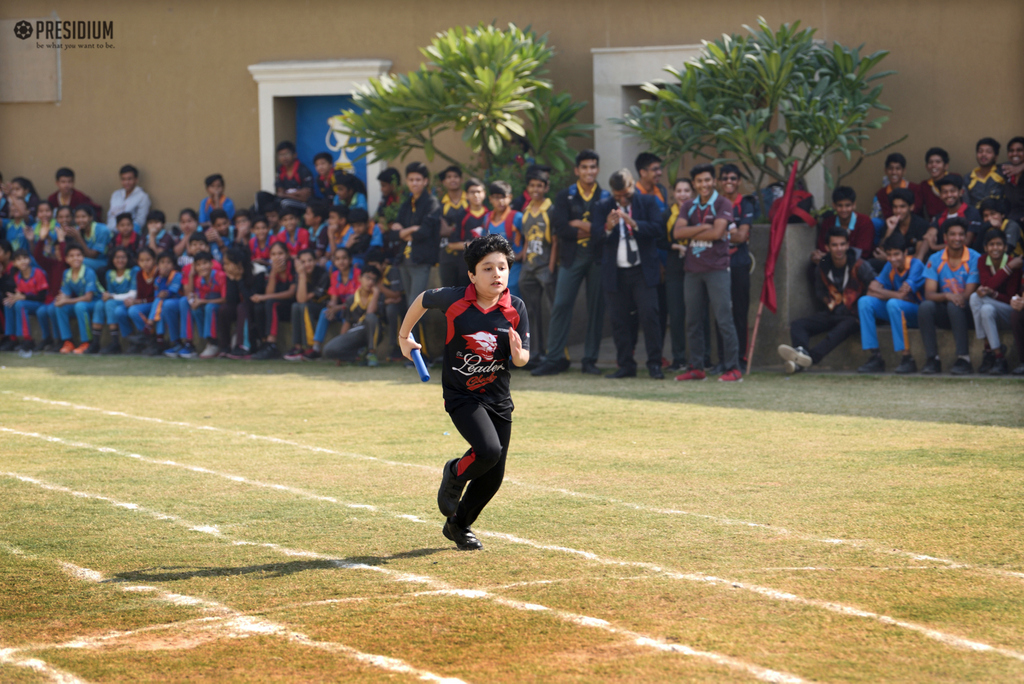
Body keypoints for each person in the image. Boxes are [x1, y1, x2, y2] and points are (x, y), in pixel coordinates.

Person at [398, 234, 529, 551]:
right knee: (487, 450)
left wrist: (517, 353)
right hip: (462, 396)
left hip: (498, 399)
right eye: (487, 268)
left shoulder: (516, 308)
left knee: (493, 477)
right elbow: (422, 299)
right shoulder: (454, 299)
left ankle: (458, 526)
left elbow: (524, 358)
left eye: (502, 267)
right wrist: (405, 336)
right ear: (472, 275)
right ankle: (454, 472)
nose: (496, 274)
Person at [531, 150, 609, 376]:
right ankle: (554, 358)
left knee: (596, 309)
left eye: (593, 167)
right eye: (584, 167)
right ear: (577, 170)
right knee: (561, 305)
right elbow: (562, 229)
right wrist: (592, 230)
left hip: (596, 258)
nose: (589, 171)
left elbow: (604, 232)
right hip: (571, 257)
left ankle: (590, 359)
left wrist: (583, 226)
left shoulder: (604, 197)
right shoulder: (564, 195)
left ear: (598, 169)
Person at [674, 163, 743, 382]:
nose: (704, 184)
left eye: (707, 180)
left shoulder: (723, 203)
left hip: (717, 269)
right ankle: (696, 367)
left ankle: (733, 368)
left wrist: (695, 231)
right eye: (699, 181)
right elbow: (677, 233)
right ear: (694, 184)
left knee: (724, 319)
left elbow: (717, 233)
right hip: (692, 270)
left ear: (714, 181)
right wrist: (703, 227)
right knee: (693, 320)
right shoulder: (688, 206)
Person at [594, 169, 663, 379]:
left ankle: (655, 364)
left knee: (649, 315)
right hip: (616, 273)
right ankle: (626, 365)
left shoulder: (648, 202)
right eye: (618, 196)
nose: (622, 199)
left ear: (633, 186)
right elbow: (595, 237)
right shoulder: (602, 206)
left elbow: (658, 229)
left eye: (626, 194)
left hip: (642, 271)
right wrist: (607, 227)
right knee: (619, 320)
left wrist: (635, 224)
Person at [779, 227, 874, 373]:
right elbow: (819, 290)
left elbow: (873, 286)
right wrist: (830, 303)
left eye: (842, 244)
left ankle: (808, 358)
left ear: (848, 245)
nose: (839, 248)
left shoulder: (860, 265)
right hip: (833, 311)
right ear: (827, 247)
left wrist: (858, 308)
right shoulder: (822, 265)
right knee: (798, 325)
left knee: (840, 329)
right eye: (834, 245)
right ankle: (801, 353)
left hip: (854, 316)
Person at [856, 232, 925, 374]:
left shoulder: (915, 264)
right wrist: (895, 295)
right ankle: (875, 356)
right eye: (889, 254)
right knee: (864, 302)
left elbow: (903, 296)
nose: (892, 259)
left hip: (918, 312)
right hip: (897, 307)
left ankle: (907, 358)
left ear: (905, 252)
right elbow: (870, 290)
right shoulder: (889, 266)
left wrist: (887, 294)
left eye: (896, 254)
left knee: (893, 304)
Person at [918, 218, 981, 374]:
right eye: (952, 234)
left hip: (969, 312)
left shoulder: (975, 258)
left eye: (961, 235)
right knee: (925, 307)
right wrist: (947, 295)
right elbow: (929, 293)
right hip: (948, 308)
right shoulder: (935, 259)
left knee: (955, 304)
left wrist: (953, 298)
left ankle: (964, 359)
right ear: (945, 237)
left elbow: (967, 294)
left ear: (966, 237)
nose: (957, 238)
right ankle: (933, 359)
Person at [718, 164, 757, 372]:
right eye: (724, 178)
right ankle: (723, 360)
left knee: (740, 313)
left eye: (733, 178)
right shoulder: (716, 204)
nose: (729, 182)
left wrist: (717, 234)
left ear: (739, 180)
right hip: (718, 265)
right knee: (721, 312)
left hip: (740, 264)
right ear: (719, 182)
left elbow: (741, 236)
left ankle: (740, 359)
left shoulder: (746, 204)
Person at [516, 167, 557, 369]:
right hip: (529, 267)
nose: (536, 189)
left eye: (540, 185)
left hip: (545, 266)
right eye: (532, 185)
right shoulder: (525, 212)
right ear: (528, 187)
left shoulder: (551, 210)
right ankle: (536, 353)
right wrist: (518, 259)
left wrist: (551, 266)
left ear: (546, 187)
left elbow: (556, 241)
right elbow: (526, 241)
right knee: (530, 312)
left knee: (552, 310)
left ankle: (555, 352)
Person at [969, 230, 1022, 375]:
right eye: (991, 244)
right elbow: (987, 284)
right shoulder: (982, 260)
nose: (995, 248)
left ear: (1005, 247)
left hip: (1009, 311)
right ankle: (998, 355)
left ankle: (987, 349)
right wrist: (1007, 269)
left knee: (976, 298)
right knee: (984, 308)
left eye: (999, 244)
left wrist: (1009, 268)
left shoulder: (1013, 263)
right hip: (992, 310)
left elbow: (1011, 297)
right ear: (986, 248)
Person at [663, 177, 696, 371]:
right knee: (676, 315)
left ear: (692, 192)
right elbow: (659, 240)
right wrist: (674, 246)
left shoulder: (699, 212)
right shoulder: (667, 213)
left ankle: (703, 358)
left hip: (697, 265)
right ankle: (679, 358)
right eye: (679, 191)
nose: (683, 194)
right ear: (674, 193)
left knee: (698, 314)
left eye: (686, 190)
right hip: (674, 266)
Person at [322, 266, 382, 365]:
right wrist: (340, 344)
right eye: (367, 278)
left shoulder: (378, 296)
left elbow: (371, 312)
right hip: (356, 333)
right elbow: (347, 322)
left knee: (370, 317)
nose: (370, 282)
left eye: (373, 280)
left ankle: (372, 353)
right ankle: (359, 357)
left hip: (374, 332)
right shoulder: (351, 299)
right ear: (359, 278)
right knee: (328, 349)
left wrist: (375, 294)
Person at [309, 246, 361, 358]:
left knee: (345, 316)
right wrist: (332, 307)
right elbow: (334, 300)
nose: (341, 261)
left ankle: (343, 348)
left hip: (354, 310)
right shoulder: (335, 275)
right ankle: (316, 348)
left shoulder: (358, 274)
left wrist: (337, 308)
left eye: (344, 258)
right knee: (325, 312)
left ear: (350, 260)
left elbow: (357, 301)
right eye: (337, 259)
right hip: (341, 309)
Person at [175, 250, 226, 359]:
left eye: (205, 263)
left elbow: (225, 298)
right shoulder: (199, 280)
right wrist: (195, 302)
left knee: (209, 307)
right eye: (198, 265)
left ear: (211, 264)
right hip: (209, 303)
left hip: (221, 306)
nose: (202, 267)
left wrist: (203, 302)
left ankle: (214, 342)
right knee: (195, 309)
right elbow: (195, 296)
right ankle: (203, 340)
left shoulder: (220, 276)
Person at [251, 241, 297, 360]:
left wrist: (263, 297)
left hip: (292, 306)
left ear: (287, 255)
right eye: (273, 254)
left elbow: (291, 293)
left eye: (280, 253)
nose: (277, 257)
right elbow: (270, 293)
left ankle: (272, 345)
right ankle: (265, 343)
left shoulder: (293, 267)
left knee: (271, 302)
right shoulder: (272, 270)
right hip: (277, 307)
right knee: (259, 307)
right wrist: (273, 272)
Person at [284, 248, 331, 361]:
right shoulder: (300, 274)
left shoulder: (322, 274)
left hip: (323, 307)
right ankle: (298, 347)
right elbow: (300, 300)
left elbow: (303, 299)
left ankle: (311, 347)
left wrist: (302, 275)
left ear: (315, 261)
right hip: (307, 307)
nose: (307, 264)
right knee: (295, 306)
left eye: (310, 261)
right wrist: (302, 275)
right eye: (303, 262)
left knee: (303, 306)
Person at [88, 246, 137, 355]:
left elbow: (133, 294)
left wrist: (111, 297)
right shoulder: (109, 273)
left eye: (123, 257)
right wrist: (106, 296)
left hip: (129, 301)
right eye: (117, 257)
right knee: (100, 304)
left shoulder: (134, 271)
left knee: (109, 303)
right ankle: (95, 342)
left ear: (128, 258)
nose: (120, 260)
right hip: (116, 300)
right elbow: (110, 293)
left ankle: (115, 343)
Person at [53, 244, 100, 354]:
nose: (76, 258)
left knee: (79, 306)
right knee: (60, 307)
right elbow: (66, 294)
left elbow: (88, 298)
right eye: (72, 256)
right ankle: (68, 341)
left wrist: (66, 300)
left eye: (79, 255)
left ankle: (86, 342)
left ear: (83, 257)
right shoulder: (67, 273)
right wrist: (61, 299)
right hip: (81, 301)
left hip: (95, 302)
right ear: (67, 259)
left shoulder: (89, 272)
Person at [923, 175, 983, 257]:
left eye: (952, 191)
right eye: (945, 192)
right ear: (940, 195)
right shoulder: (939, 216)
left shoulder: (971, 213)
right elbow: (929, 236)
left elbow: (965, 243)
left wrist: (934, 247)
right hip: (943, 261)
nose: (949, 195)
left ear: (961, 192)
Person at [1, 249, 48, 354]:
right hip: (27, 303)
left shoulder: (38, 273)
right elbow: (19, 294)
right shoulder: (17, 277)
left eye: (25, 258)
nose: (23, 261)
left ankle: (28, 339)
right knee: (8, 303)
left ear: (29, 260)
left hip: (40, 304)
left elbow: (42, 297)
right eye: (19, 259)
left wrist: (23, 297)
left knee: (19, 304)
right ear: (14, 263)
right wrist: (14, 297)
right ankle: (12, 339)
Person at [31, 222, 68, 351]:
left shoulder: (67, 265)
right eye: (56, 249)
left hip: (64, 299)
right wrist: (41, 239)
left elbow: (65, 259)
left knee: (52, 310)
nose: (58, 252)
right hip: (51, 299)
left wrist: (62, 241)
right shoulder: (53, 265)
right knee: (41, 311)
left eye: (60, 249)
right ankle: (47, 338)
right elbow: (37, 257)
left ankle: (60, 340)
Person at [814, 186, 875, 262]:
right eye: (840, 205)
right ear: (834, 205)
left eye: (847, 205)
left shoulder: (864, 222)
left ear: (854, 205)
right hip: (832, 262)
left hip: (856, 263)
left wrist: (833, 255)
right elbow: (822, 247)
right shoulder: (828, 223)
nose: (844, 210)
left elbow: (863, 252)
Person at [484, 181, 523, 298]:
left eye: (503, 197)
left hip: (514, 267)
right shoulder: (487, 218)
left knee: (512, 297)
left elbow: (528, 239)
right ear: (490, 199)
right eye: (496, 198)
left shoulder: (517, 217)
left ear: (510, 197)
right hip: (494, 268)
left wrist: (520, 255)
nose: (500, 201)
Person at [142, 251, 184, 356]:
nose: (165, 265)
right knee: (160, 308)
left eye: (168, 262)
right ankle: (160, 340)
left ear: (174, 265)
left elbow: (170, 292)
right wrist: (162, 279)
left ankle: (150, 324)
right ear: (158, 265)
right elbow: (158, 294)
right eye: (162, 262)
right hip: (163, 304)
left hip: (177, 301)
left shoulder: (177, 275)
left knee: (162, 303)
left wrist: (164, 284)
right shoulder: (158, 279)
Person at [219, 246, 257, 359]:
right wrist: (232, 279)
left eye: (227, 263)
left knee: (242, 306)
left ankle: (243, 346)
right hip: (240, 307)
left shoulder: (256, 271)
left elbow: (250, 299)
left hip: (255, 309)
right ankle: (225, 346)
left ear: (238, 264)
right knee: (224, 309)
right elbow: (231, 300)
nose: (224, 266)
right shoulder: (230, 274)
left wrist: (240, 279)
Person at [877, 188, 931, 263]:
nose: (898, 211)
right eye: (895, 207)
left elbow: (918, 256)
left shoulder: (921, 224)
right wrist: (889, 231)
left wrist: (889, 258)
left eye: (902, 207)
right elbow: (880, 252)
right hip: (893, 264)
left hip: (914, 265)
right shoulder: (890, 223)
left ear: (911, 207)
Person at [437, 165, 468, 288]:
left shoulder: (470, 201)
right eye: (449, 177)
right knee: (448, 291)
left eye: (456, 176)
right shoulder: (439, 204)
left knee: (468, 292)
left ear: (461, 180)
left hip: (467, 253)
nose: (452, 180)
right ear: (444, 182)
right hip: (446, 254)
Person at [123, 248, 157, 354]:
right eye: (142, 261)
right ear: (138, 262)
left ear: (154, 260)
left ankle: (148, 337)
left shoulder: (158, 273)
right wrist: (133, 300)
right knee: (121, 310)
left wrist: (139, 302)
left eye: (148, 260)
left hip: (155, 304)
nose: (145, 263)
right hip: (145, 303)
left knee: (133, 310)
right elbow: (141, 295)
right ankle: (142, 340)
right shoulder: (139, 274)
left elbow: (156, 297)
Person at [871, 153, 925, 221]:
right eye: (891, 168)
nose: (894, 172)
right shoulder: (881, 193)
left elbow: (917, 210)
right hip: (892, 225)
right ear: (886, 171)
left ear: (904, 171)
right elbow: (887, 214)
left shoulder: (915, 189)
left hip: (915, 225)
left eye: (898, 168)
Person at [106, 164, 151, 230]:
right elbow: (110, 215)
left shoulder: (142, 197)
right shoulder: (116, 194)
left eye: (129, 179)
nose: (126, 182)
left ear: (136, 180)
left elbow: (140, 221)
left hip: (128, 235)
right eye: (123, 179)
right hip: (110, 232)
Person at [965, 137, 1005, 209]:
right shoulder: (968, 178)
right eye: (980, 151)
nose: (983, 154)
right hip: (977, 218)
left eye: (988, 152)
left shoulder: (1003, 171)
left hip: (1001, 216)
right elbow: (967, 205)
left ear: (996, 156)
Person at [274, 141, 314, 206]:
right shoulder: (280, 170)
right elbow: (280, 192)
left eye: (287, 154)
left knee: (284, 202)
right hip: (286, 199)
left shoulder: (303, 170)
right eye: (281, 155)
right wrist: (295, 193)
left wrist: (286, 195)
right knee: (262, 196)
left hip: (302, 203)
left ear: (294, 155)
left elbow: (306, 195)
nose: (284, 158)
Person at [919, 148, 954, 219]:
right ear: (926, 166)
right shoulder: (924, 186)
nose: (933, 165)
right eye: (930, 162)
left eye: (938, 162)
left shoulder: (954, 179)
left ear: (946, 166)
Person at [1002, 136, 1024, 224]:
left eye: (1019, 150)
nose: (1015, 154)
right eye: (1011, 151)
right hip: (1012, 218)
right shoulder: (1005, 170)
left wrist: (1021, 167)